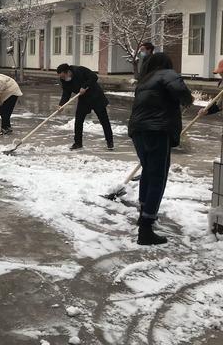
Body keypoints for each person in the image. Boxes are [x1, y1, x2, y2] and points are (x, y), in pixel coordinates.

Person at [128, 52, 193, 246]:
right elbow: (183, 94)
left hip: (138, 130)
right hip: (157, 130)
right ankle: (146, 229)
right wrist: (187, 100)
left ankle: (143, 214)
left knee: (148, 172)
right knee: (158, 176)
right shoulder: (167, 74)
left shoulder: (144, 80)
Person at [57, 63, 113, 150]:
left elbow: (94, 77)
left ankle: (110, 142)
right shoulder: (64, 81)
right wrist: (61, 104)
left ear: (68, 72)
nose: (62, 79)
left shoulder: (80, 70)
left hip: (96, 96)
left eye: (63, 76)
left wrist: (84, 86)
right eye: (61, 77)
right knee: (78, 120)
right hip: (84, 99)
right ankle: (78, 143)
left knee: (104, 120)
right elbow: (66, 94)